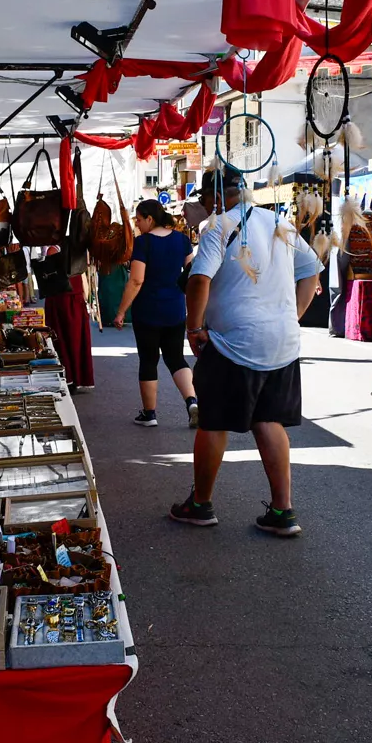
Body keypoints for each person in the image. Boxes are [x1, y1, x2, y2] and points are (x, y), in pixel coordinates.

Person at [169, 166, 322, 536]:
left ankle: (201, 504)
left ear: (216, 195)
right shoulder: (279, 223)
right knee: (268, 419)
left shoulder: (218, 227)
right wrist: (291, 317)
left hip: (234, 341)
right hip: (281, 341)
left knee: (213, 420)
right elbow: (312, 270)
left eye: (205, 199)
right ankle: (283, 511)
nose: (205, 206)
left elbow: (199, 280)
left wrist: (193, 328)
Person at [112, 199, 198, 428]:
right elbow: (192, 277)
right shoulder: (182, 240)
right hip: (175, 310)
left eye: (139, 220)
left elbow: (137, 280)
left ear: (150, 218)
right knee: (176, 358)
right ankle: (192, 402)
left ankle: (150, 414)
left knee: (149, 360)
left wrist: (121, 311)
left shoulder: (144, 243)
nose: (138, 225)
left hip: (148, 311)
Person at [41, 245, 95, 391]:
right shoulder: (77, 247)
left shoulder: (56, 248)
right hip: (71, 298)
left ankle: (70, 378)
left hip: (63, 299)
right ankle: (75, 378)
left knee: (65, 339)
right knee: (74, 340)